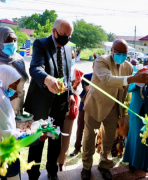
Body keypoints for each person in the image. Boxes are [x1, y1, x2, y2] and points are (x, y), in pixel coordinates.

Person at [81, 39, 148, 180]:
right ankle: (86, 167)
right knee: (89, 138)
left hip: (114, 108)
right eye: (118, 52)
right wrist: (133, 78)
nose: (121, 55)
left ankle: (104, 165)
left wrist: (138, 81)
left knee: (108, 140)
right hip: (96, 105)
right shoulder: (101, 61)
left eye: (124, 53)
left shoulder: (128, 67)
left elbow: (125, 89)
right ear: (112, 51)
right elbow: (108, 79)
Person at [24, 19, 75, 180]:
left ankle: (52, 170)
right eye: (63, 35)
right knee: (38, 141)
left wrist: (71, 93)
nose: (66, 38)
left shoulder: (67, 48)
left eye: (69, 35)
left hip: (60, 103)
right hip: (41, 103)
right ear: (54, 31)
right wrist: (48, 79)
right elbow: (35, 68)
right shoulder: (41, 44)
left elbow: (67, 73)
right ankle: (33, 173)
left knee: (56, 139)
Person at [123, 57, 148, 173]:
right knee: (134, 138)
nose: (147, 66)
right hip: (136, 111)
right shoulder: (136, 74)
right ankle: (132, 162)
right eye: (145, 64)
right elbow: (128, 89)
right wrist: (138, 83)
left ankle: (146, 164)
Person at [57, 50, 83, 171]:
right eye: (69, 57)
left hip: (70, 109)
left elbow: (79, 92)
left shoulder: (77, 72)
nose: (71, 59)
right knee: (55, 136)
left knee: (66, 136)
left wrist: (76, 86)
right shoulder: (56, 68)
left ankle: (62, 162)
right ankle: (52, 161)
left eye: (73, 57)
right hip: (56, 109)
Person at [0, 26, 29, 120]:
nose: (12, 43)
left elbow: (22, 84)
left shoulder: (19, 59)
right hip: (3, 113)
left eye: (14, 40)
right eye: (8, 40)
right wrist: (6, 95)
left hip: (18, 110)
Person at [0, 65, 21, 180]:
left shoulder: (2, 93)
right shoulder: (1, 98)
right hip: (6, 145)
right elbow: (5, 127)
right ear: (4, 79)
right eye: (13, 84)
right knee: (12, 176)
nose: (15, 88)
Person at [70, 65, 94, 157]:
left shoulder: (102, 79)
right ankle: (77, 148)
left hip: (95, 108)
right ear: (92, 67)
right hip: (84, 106)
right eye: (95, 67)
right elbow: (81, 92)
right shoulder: (86, 77)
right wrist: (86, 97)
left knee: (91, 130)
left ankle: (88, 149)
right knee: (80, 127)